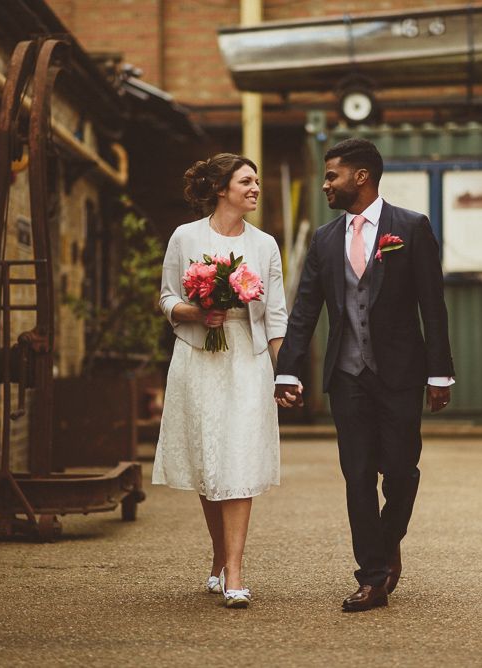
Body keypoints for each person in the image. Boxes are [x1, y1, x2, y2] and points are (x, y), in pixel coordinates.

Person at [275, 138, 455, 612]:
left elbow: (433, 307)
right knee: (357, 476)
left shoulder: (411, 228)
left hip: (399, 373)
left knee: (400, 471)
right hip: (347, 375)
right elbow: (305, 311)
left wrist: (440, 374)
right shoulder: (324, 239)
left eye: (331, 175)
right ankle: (372, 577)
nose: (325, 184)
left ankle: (388, 537)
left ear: (361, 177)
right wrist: (287, 372)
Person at [152, 153, 288, 609]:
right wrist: (195, 311)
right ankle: (218, 556)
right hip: (197, 359)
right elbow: (167, 297)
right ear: (221, 188)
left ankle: (235, 571)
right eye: (246, 181)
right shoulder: (184, 237)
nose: (255, 188)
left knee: (239, 461)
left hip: (246, 362)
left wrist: (282, 373)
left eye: (257, 181)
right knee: (210, 465)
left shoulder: (265, 244)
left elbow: (275, 316)